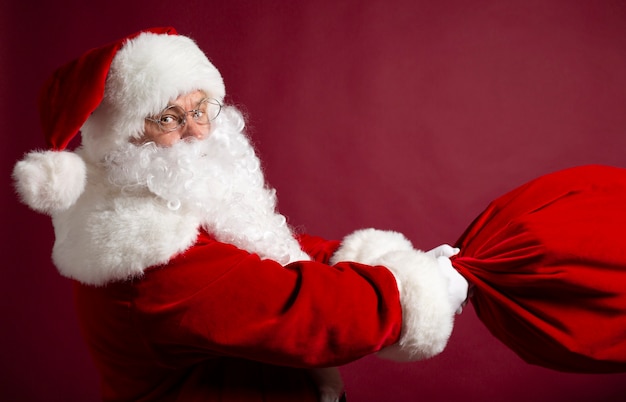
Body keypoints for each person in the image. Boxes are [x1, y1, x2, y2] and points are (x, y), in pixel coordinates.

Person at [12, 27, 469, 402]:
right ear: (126, 137)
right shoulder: (148, 256)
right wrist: (413, 292)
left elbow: (268, 249)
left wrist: (376, 258)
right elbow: (301, 310)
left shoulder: (168, 202)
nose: (196, 131)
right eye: (168, 118)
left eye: (200, 109)